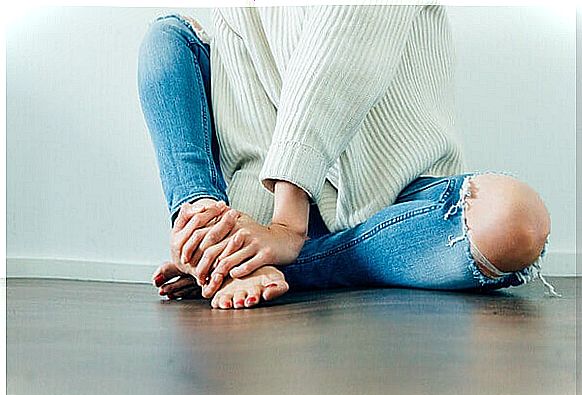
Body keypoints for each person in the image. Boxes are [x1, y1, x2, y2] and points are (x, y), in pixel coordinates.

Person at [137, 5, 560, 310]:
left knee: (516, 220)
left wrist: (287, 227)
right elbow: (247, 128)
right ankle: (208, 233)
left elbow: (337, 60)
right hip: (284, 213)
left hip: (397, 207)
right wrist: (240, 238)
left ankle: (295, 266)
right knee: (167, 40)